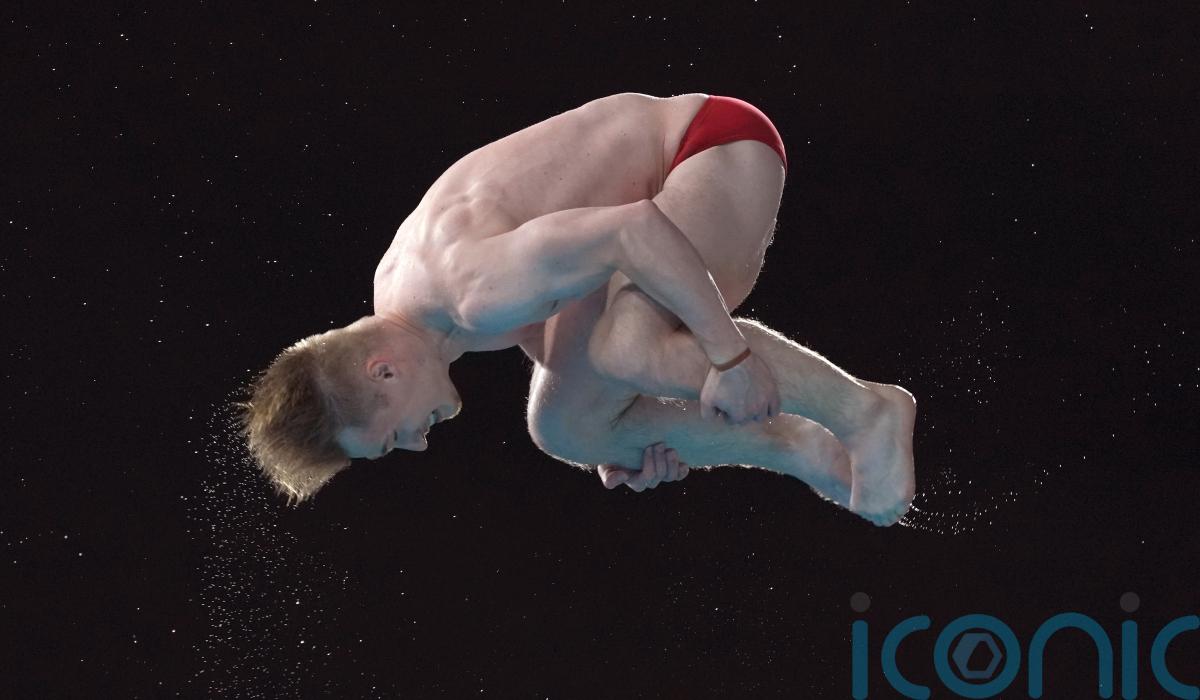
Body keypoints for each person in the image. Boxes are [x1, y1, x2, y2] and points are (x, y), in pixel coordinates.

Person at [238, 92, 916, 526]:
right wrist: (617, 434)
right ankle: (800, 448)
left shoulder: (470, 290)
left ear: (383, 372)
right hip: (657, 202)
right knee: (566, 428)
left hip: (707, 148)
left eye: (393, 438)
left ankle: (865, 413)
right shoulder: (411, 303)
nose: (418, 443)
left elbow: (633, 231)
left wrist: (729, 358)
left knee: (624, 349)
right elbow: (557, 305)